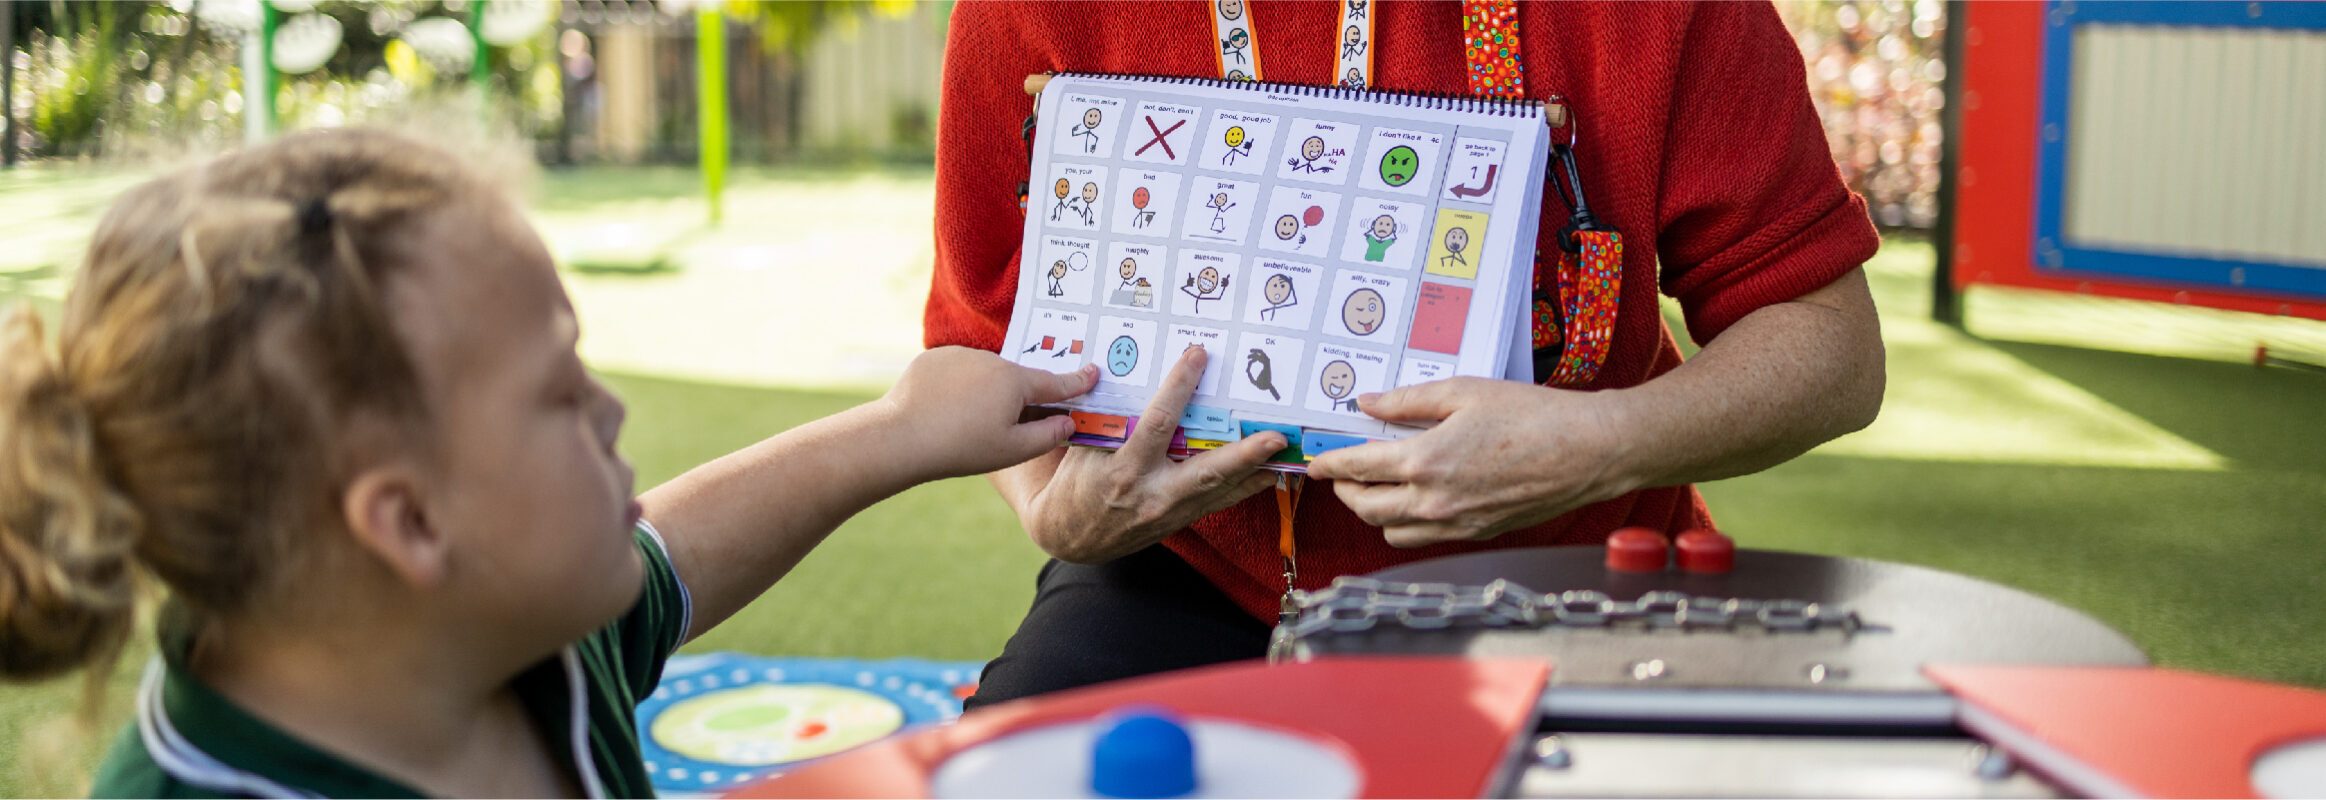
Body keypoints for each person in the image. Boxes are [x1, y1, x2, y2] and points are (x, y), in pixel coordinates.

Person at [0, 128, 1095, 796]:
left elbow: (677, 553)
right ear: (411, 524)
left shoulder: (508, 636)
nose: (610, 410)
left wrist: (904, 427)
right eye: (560, 395)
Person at [926, 1, 1885, 709]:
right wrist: (1059, 509)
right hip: (1188, 567)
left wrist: (1604, 442)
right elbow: (980, 346)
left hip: (1566, 567)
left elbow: (1832, 349)